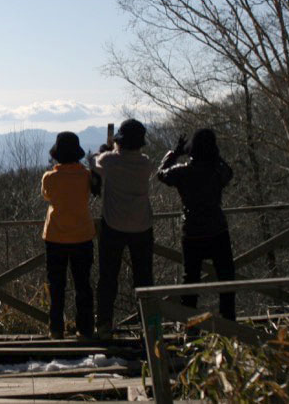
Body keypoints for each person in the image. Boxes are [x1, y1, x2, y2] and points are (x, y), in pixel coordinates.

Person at [157, 128, 235, 320]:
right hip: (217, 229)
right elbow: (229, 172)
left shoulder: (182, 172)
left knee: (190, 281)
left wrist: (175, 153)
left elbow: (161, 173)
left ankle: (191, 327)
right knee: (226, 278)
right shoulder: (217, 171)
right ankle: (229, 323)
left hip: (192, 232)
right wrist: (216, 156)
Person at [89, 118, 155, 340]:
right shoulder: (145, 163)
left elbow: (93, 161)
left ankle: (104, 324)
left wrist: (103, 150)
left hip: (113, 225)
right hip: (142, 225)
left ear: (120, 141)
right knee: (145, 278)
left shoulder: (109, 161)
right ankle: (150, 325)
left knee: (108, 277)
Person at [41, 131, 96, 340]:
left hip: (55, 237)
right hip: (83, 235)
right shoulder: (86, 176)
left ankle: (56, 329)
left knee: (57, 286)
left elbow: (47, 195)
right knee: (83, 285)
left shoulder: (50, 178)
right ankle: (86, 329)